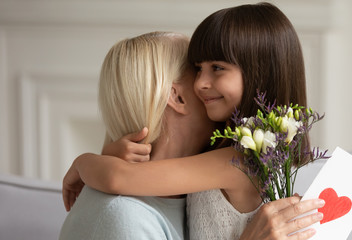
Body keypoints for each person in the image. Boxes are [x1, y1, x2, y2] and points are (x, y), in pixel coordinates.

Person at [63, 3, 325, 240]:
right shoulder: (128, 214)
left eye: (217, 68)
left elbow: (119, 178)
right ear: (175, 96)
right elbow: (122, 178)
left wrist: (84, 162)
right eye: (197, 69)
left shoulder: (237, 161)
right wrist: (109, 155)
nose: (202, 83)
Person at [59, 31, 216, 239]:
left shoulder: (199, 197)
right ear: (176, 97)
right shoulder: (125, 217)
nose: (214, 83)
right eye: (198, 71)